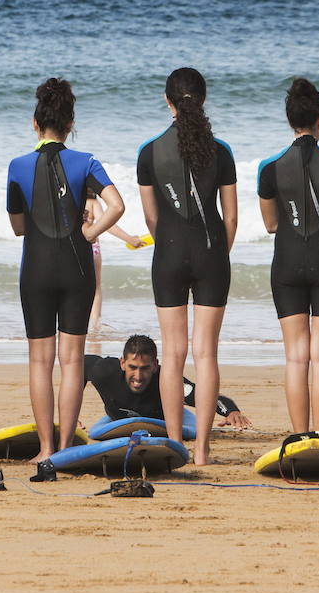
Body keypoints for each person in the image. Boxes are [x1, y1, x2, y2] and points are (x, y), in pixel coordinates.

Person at [6, 78, 126, 461]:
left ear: (34, 122)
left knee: (40, 361)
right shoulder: (87, 162)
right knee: (72, 360)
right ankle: (63, 449)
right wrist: (88, 231)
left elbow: (18, 227)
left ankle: (44, 448)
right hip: (77, 266)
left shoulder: (17, 166)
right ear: (70, 123)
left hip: (37, 269)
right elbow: (118, 206)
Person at [136, 67, 237, 465]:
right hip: (212, 251)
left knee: (174, 354)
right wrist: (216, 254)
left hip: (170, 254)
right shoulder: (221, 150)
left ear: (168, 101)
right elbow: (230, 218)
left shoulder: (149, 151)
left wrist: (171, 247)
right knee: (206, 353)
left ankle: (176, 444)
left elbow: (151, 218)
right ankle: (202, 451)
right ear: (203, 99)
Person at [257, 77, 319, 435]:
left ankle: (299, 437)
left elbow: (270, 224)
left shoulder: (269, 168)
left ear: (289, 120)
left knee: (296, 357)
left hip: (287, 262)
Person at [82, 335, 250, 428]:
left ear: (155, 365)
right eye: (133, 367)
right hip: (115, 420)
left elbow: (203, 396)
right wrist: (73, 415)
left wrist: (231, 411)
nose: (138, 376)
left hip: (163, 420)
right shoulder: (104, 372)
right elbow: (78, 365)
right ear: (122, 363)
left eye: (145, 368)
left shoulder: (167, 380)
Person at [82, 193, 146, 335]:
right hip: (93, 249)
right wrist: (129, 238)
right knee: (96, 287)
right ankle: (95, 323)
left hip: (72, 249)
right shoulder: (92, 203)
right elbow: (109, 226)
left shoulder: (71, 200)